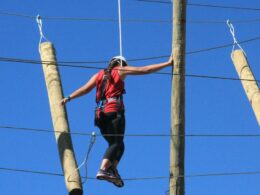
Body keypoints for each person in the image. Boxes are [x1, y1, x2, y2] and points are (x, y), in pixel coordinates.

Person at [61, 56, 173, 187]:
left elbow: (85, 89)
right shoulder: (120, 69)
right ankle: (103, 169)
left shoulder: (99, 75)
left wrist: (68, 98)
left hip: (100, 116)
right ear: (121, 63)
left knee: (119, 145)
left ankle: (112, 169)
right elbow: (144, 70)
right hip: (113, 111)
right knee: (115, 143)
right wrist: (167, 63)